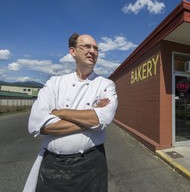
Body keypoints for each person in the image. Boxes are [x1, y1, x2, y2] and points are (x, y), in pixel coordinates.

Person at [23, 33, 118, 192]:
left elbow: (104, 118)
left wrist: (60, 112)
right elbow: (37, 125)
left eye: (96, 48)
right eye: (87, 46)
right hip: (52, 164)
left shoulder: (106, 84)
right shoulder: (55, 83)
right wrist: (92, 120)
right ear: (73, 52)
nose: (92, 51)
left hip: (92, 165)